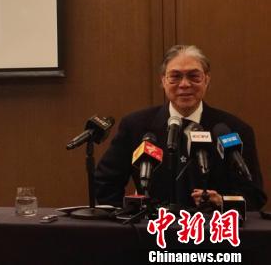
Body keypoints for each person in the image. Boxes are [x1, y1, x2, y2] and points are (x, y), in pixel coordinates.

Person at [95, 45, 267, 211]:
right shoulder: (136, 126)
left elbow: (254, 194)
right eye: (175, 76)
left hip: (213, 233)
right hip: (152, 232)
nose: (184, 84)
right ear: (163, 80)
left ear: (207, 79)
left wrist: (222, 203)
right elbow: (105, 183)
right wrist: (127, 218)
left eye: (194, 76)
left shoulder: (234, 130)